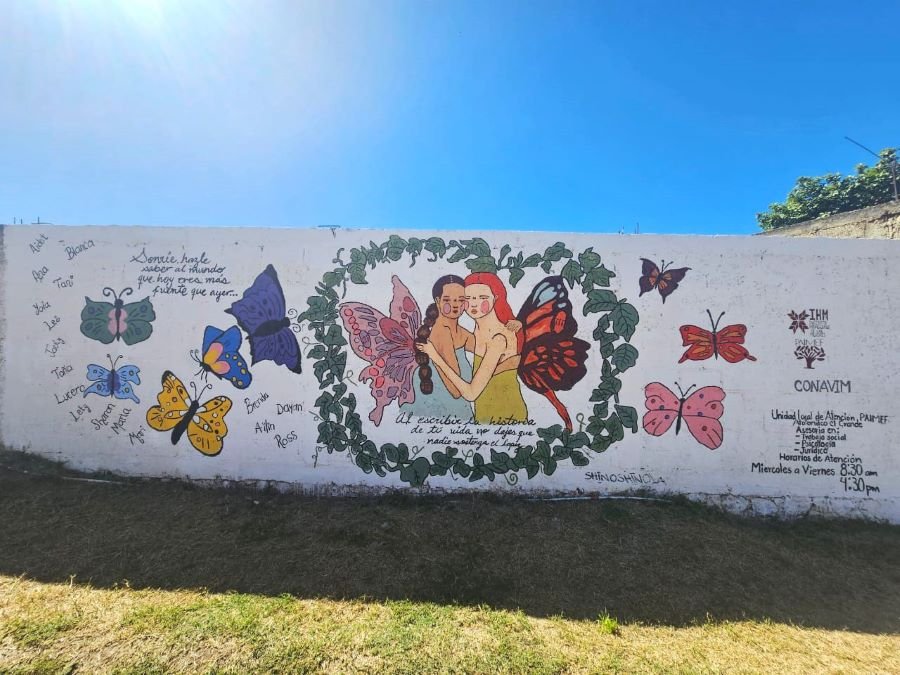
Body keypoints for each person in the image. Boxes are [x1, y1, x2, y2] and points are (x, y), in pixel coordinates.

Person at [416, 272, 528, 423]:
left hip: (504, 412)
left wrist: (435, 356)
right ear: (438, 301)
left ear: (495, 298)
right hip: (484, 412)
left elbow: (470, 394)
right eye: (468, 298)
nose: (474, 304)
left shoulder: (498, 338)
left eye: (482, 298)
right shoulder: (476, 333)